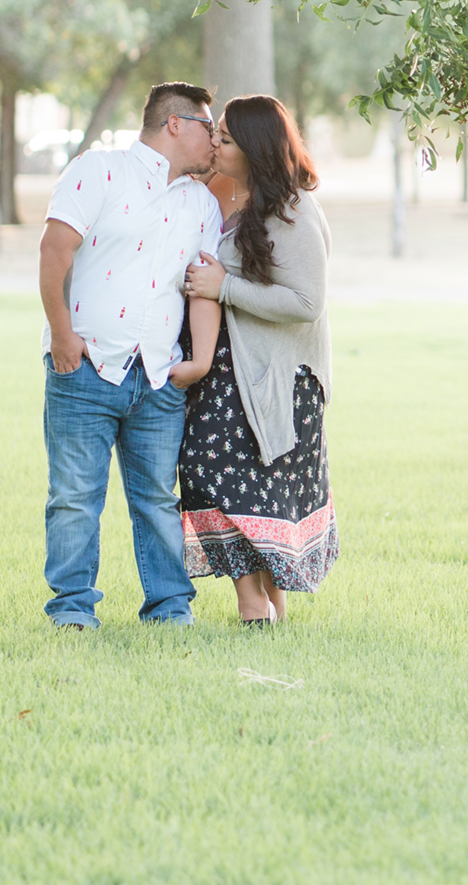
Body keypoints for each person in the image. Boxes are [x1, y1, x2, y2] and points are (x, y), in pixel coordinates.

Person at [37, 83, 224, 630]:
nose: (215, 140)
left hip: (159, 375)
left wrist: (200, 362)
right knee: (74, 497)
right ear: (175, 123)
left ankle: (170, 607)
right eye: (209, 128)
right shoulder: (97, 171)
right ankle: (73, 609)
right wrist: (62, 336)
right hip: (85, 366)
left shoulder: (201, 203)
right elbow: (54, 250)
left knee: (158, 500)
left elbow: (203, 287)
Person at [178, 95, 336, 627]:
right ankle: (269, 607)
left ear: (255, 147)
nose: (215, 143)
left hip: (278, 381)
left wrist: (225, 287)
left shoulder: (294, 210)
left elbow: (307, 303)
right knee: (226, 477)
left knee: (235, 478)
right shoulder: (243, 198)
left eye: (225, 137)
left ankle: (256, 606)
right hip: (235, 373)